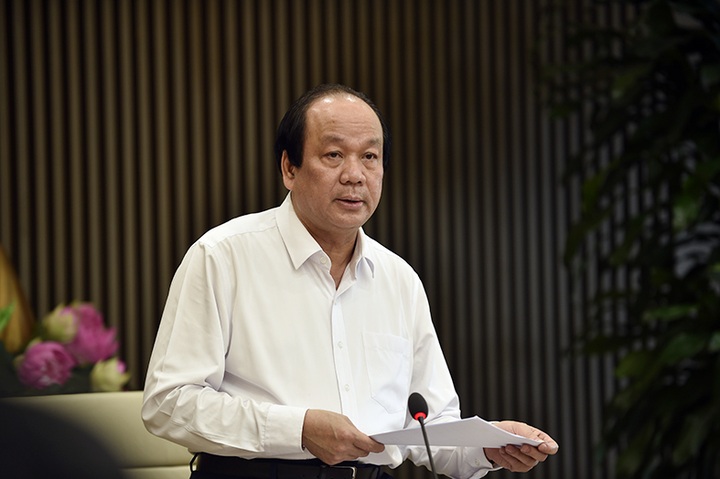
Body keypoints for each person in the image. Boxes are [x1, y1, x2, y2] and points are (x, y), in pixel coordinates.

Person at [142, 83, 559, 479]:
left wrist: (487, 445)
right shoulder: (223, 256)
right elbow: (167, 403)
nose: (355, 175)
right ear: (289, 168)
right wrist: (299, 429)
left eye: (370, 157)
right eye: (334, 155)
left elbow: (430, 426)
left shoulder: (399, 280)